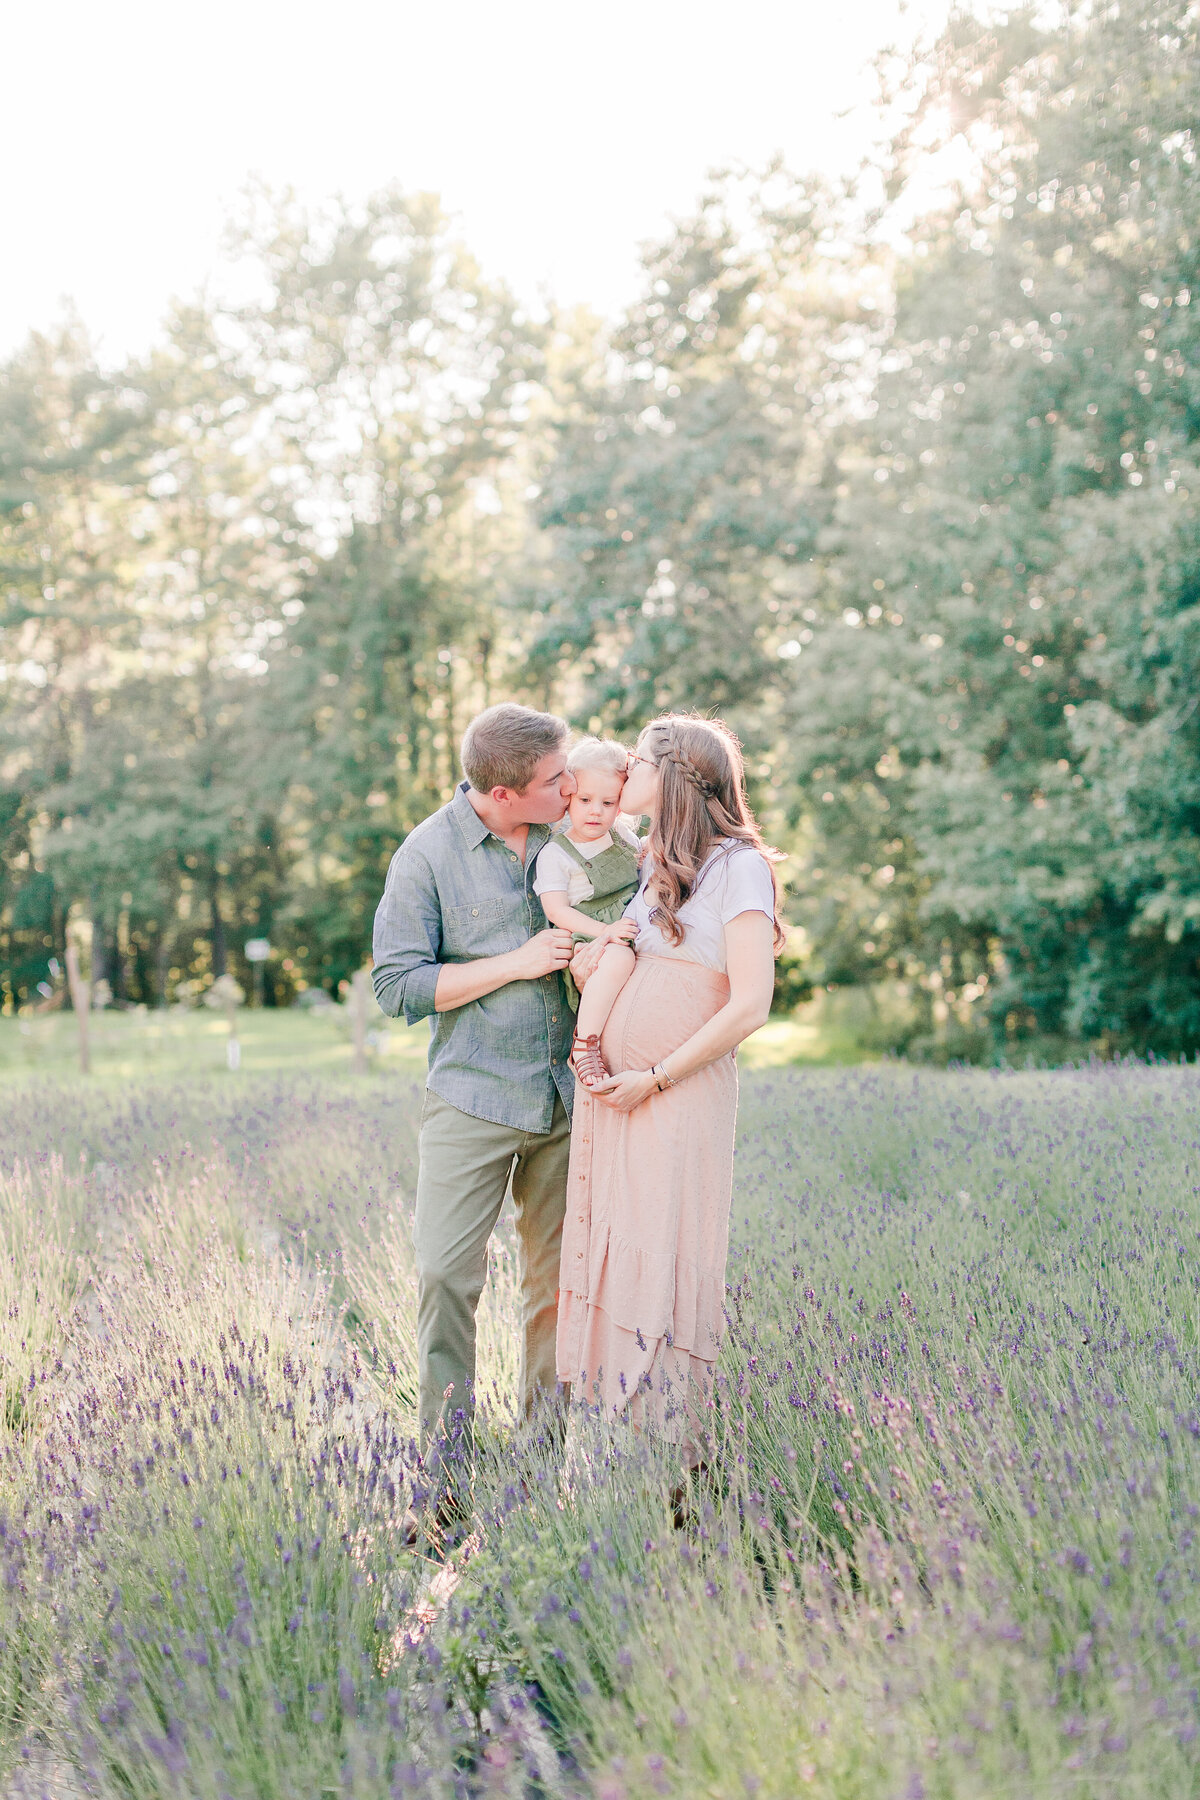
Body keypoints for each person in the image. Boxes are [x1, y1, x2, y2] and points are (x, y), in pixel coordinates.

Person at [557, 714, 785, 1474]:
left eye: (638, 761)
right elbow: (615, 957)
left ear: (675, 775)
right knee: (621, 1251)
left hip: (672, 1096)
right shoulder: (658, 864)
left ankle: (672, 1465)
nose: (625, 773)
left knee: (665, 1248)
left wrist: (653, 1076)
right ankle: (614, 1452)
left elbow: (750, 1004)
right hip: (619, 1099)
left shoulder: (739, 868)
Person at [371, 703, 578, 1523]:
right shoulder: (426, 855)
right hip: (471, 1099)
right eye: (555, 781)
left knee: (556, 1293)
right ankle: (445, 1485)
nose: (572, 789)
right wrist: (516, 963)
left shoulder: (578, 838)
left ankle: (540, 1479)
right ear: (502, 793)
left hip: (568, 1098)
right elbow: (399, 987)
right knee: (445, 1279)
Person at [531, 737, 642, 1087]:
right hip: (587, 934)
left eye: (608, 802)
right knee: (617, 960)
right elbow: (557, 911)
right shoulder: (556, 854)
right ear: (568, 799)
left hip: (629, 924)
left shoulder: (624, 837)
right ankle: (584, 1044)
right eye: (585, 800)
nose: (596, 811)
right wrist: (604, 933)